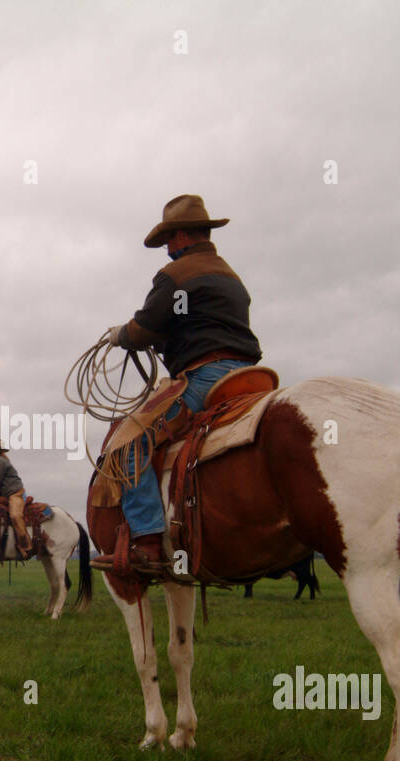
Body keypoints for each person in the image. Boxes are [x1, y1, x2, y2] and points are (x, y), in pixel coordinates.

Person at [92, 194, 262, 574]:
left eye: (169, 240)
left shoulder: (176, 275)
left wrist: (121, 335)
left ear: (182, 235)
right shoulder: (232, 277)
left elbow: (145, 327)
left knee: (129, 441)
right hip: (248, 377)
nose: (167, 248)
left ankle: (149, 541)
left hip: (205, 377)